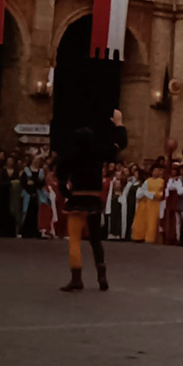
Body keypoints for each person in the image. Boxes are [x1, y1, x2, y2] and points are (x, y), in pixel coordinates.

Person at [56, 110, 127, 291]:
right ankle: (101, 275)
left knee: (74, 240)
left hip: (77, 201)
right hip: (94, 200)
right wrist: (119, 124)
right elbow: (120, 144)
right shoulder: (97, 152)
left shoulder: (70, 155)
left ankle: (76, 277)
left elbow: (61, 178)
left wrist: (67, 194)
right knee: (96, 240)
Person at [132, 164, 164, 244]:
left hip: (157, 204)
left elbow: (161, 193)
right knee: (147, 221)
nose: (156, 172)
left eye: (158, 170)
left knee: (154, 222)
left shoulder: (162, 181)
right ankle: (143, 237)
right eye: (155, 170)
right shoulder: (148, 181)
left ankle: (152, 239)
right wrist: (147, 194)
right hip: (149, 204)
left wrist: (151, 194)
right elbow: (142, 192)